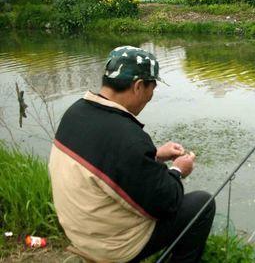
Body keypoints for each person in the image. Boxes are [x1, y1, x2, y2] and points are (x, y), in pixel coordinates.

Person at [49, 46, 215, 263]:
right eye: (152, 89)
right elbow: (166, 203)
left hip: (78, 231)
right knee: (201, 204)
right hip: (111, 248)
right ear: (138, 86)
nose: (150, 98)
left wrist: (154, 155)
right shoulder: (128, 137)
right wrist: (177, 170)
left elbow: (111, 160)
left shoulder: (76, 112)